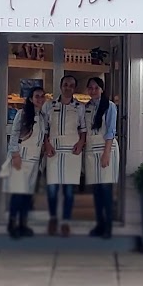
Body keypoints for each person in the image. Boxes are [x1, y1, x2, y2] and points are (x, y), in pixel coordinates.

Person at [0, 86, 46, 239]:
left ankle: (23, 224)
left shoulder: (43, 117)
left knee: (27, 196)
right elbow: (14, 135)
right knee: (18, 194)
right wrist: (15, 155)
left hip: (34, 161)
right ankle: (12, 225)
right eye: (37, 96)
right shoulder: (22, 114)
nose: (40, 99)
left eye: (42, 96)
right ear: (31, 99)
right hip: (21, 158)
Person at [43, 75, 86, 237]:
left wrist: (81, 143)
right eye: (65, 84)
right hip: (53, 150)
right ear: (61, 86)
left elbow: (83, 129)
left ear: (74, 88)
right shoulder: (50, 106)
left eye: (71, 85)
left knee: (69, 190)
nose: (68, 87)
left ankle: (66, 221)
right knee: (52, 188)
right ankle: (53, 218)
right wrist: (46, 144)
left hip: (72, 151)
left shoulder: (79, 107)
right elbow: (44, 129)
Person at [84, 77, 119, 239]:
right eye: (90, 88)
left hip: (106, 150)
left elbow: (111, 131)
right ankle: (99, 224)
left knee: (106, 190)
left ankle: (108, 227)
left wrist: (106, 154)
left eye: (96, 88)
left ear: (102, 89)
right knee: (96, 191)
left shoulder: (109, 106)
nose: (93, 91)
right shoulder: (86, 107)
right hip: (91, 152)